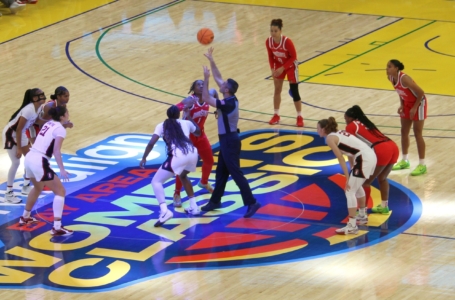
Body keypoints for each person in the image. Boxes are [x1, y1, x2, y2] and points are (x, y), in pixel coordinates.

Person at [200, 47, 261, 218]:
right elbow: (218, 77)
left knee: (235, 173)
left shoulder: (226, 104)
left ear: (227, 90)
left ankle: (252, 202)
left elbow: (205, 98)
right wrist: (211, 60)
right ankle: (215, 201)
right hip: (228, 140)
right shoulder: (230, 97)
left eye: (224, 84)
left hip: (229, 141)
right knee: (221, 172)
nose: (221, 83)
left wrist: (205, 79)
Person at [140, 105, 201, 227]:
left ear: (167, 114)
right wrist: (189, 117)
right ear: (179, 114)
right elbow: (199, 132)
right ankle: (194, 206)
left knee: (156, 182)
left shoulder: (162, 125)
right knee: (183, 176)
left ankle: (164, 211)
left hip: (179, 155)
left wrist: (144, 157)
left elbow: (151, 143)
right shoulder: (186, 123)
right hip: (193, 153)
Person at [18, 105, 73, 236]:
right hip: (39, 161)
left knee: (37, 187)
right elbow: (56, 151)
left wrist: (66, 125)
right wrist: (62, 169)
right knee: (60, 191)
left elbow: (54, 131)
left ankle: (25, 217)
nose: (68, 114)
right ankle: (57, 227)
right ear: (62, 116)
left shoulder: (50, 123)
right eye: (67, 113)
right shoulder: (60, 129)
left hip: (29, 158)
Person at [317, 117, 377, 235]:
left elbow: (340, 157)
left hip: (363, 158)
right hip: (369, 156)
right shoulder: (339, 133)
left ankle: (352, 225)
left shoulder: (330, 138)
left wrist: (347, 177)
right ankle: (362, 215)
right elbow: (350, 152)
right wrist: (352, 169)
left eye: (318, 128)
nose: (317, 130)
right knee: (357, 186)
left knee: (349, 191)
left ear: (324, 129)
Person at [344, 105, 399, 214]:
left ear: (350, 118)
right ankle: (384, 206)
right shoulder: (366, 122)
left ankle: (362, 211)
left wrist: (353, 165)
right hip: (392, 146)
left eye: (345, 119)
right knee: (382, 178)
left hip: (381, 150)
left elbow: (351, 149)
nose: (345, 121)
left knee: (365, 182)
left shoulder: (351, 126)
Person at [172, 80, 216, 207]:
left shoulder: (208, 96)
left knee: (209, 160)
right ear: (193, 88)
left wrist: (218, 109)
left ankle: (203, 182)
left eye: (203, 84)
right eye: (198, 84)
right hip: (187, 137)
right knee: (183, 167)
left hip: (200, 135)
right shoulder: (190, 100)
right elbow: (173, 109)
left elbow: (215, 92)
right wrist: (182, 109)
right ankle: (177, 193)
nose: (201, 86)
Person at [2, 88, 46, 203]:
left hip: (21, 134)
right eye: (40, 95)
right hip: (11, 134)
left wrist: (56, 122)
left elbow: (36, 121)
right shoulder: (28, 109)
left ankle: (26, 186)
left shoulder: (39, 107)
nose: (43, 96)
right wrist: (20, 149)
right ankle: (9, 193)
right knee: (16, 162)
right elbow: (18, 128)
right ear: (34, 98)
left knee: (30, 159)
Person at [387, 59, 427, 176]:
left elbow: (421, 93)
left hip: (418, 103)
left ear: (396, 68)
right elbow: (400, 92)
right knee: (404, 131)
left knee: (417, 133)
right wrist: (402, 104)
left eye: (389, 66)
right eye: (387, 66)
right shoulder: (390, 78)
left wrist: (414, 108)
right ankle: (405, 160)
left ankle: (422, 164)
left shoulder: (404, 78)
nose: (387, 69)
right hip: (407, 103)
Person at [266, 18, 303, 127]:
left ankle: (299, 116)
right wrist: (272, 68)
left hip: (290, 65)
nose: (273, 33)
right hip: (278, 64)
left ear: (280, 31)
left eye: (275, 31)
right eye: (271, 31)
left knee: (294, 91)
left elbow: (294, 57)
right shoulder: (268, 41)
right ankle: (276, 115)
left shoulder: (287, 42)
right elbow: (270, 56)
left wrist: (283, 68)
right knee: (277, 89)